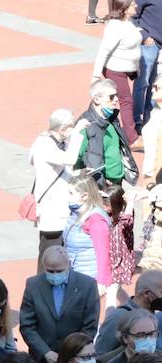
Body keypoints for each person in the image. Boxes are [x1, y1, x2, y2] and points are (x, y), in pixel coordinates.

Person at [29, 110, 80, 253]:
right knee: (50, 251)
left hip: (57, 207)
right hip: (51, 209)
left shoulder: (51, 141)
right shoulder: (45, 145)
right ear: (62, 129)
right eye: (72, 126)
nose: (73, 130)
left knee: (57, 251)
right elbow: (70, 159)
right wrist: (76, 136)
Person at [76, 76, 139, 187]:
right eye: (111, 97)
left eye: (116, 95)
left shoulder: (112, 118)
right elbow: (76, 160)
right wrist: (101, 183)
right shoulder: (85, 126)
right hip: (102, 188)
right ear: (96, 99)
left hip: (119, 182)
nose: (116, 100)